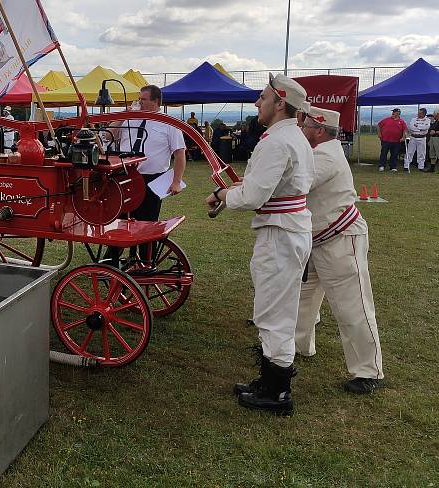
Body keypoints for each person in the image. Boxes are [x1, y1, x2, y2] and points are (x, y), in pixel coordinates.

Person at [207, 73, 314, 416]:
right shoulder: (294, 138)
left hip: (280, 235)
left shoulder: (276, 142)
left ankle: (277, 391)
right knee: (276, 308)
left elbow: (254, 194)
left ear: (280, 103)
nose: (257, 103)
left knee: (274, 312)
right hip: (289, 230)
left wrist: (222, 193)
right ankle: (269, 382)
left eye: (263, 98)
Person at [294, 107, 384, 394]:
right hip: (322, 240)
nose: (301, 128)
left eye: (305, 124)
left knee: (353, 306)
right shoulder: (323, 152)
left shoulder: (325, 155)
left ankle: (368, 371)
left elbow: (296, 185)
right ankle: (297, 346)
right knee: (302, 300)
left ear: (319, 130)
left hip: (341, 240)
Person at [108, 85, 186, 265]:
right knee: (120, 221)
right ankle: (110, 261)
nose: (139, 103)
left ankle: (145, 261)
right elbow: (108, 136)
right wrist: (121, 117)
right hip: (124, 177)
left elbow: (180, 154)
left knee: (147, 223)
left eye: (143, 99)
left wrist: (176, 181)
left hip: (152, 180)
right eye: (139, 99)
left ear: (156, 101)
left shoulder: (169, 124)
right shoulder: (131, 118)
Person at [403, 107, 431, 172]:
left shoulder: (427, 120)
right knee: (409, 152)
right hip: (413, 137)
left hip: (422, 138)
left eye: (420, 113)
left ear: (424, 114)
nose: (418, 114)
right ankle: (406, 166)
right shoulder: (413, 119)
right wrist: (420, 128)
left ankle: (421, 167)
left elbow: (426, 127)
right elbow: (411, 127)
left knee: (421, 153)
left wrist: (417, 126)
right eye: (418, 113)